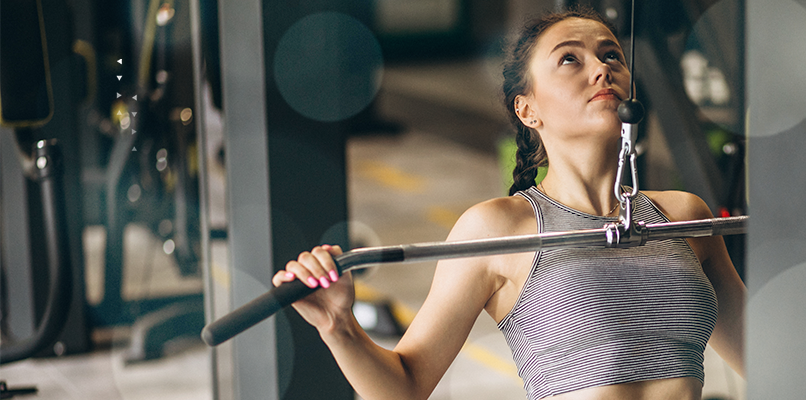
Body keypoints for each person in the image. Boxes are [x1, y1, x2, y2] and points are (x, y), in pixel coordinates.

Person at [273, 7, 745, 400]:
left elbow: (773, 359)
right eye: (569, 60)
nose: (601, 68)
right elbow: (406, 386)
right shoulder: (498, 228)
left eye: (610, 55)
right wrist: (340, 326)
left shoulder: (684, 216)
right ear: (527, 109)